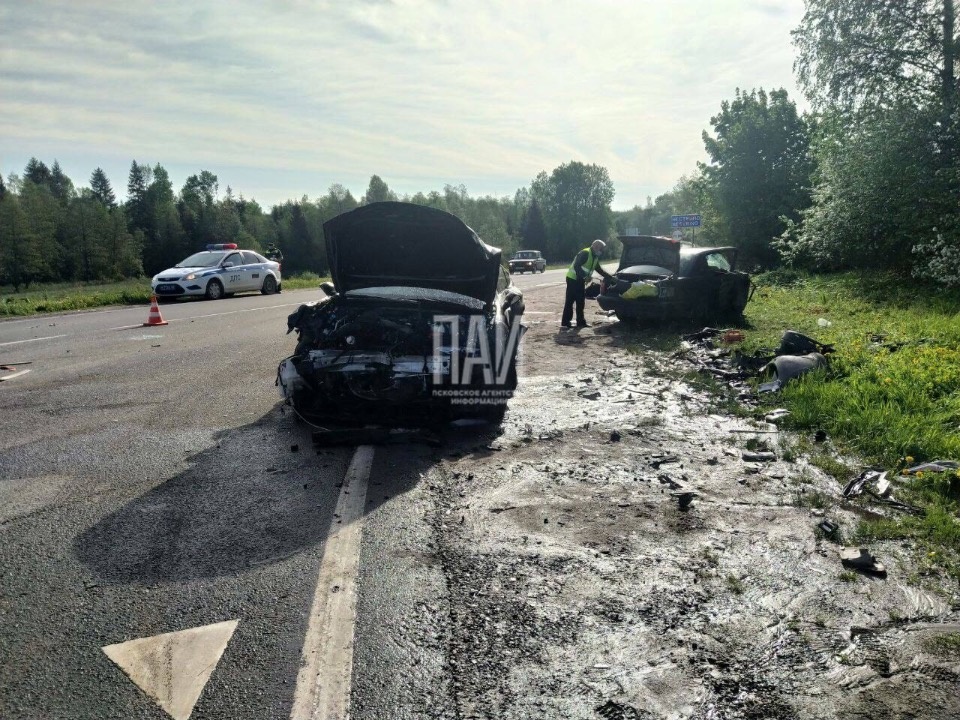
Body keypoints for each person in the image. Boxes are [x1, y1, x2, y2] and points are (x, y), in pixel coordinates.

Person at [562, 239, 613, 328]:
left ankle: (580, 322)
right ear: (596, 247)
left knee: (580, 301)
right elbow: (576, 266)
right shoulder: (585, 253)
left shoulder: (595, 257)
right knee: (570, 301)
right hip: (573, 279)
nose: (602, 251)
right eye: (601, 249)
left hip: (580, 281)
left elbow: (599, 270)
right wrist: (585, 276)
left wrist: (611, 277)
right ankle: (566, 323)